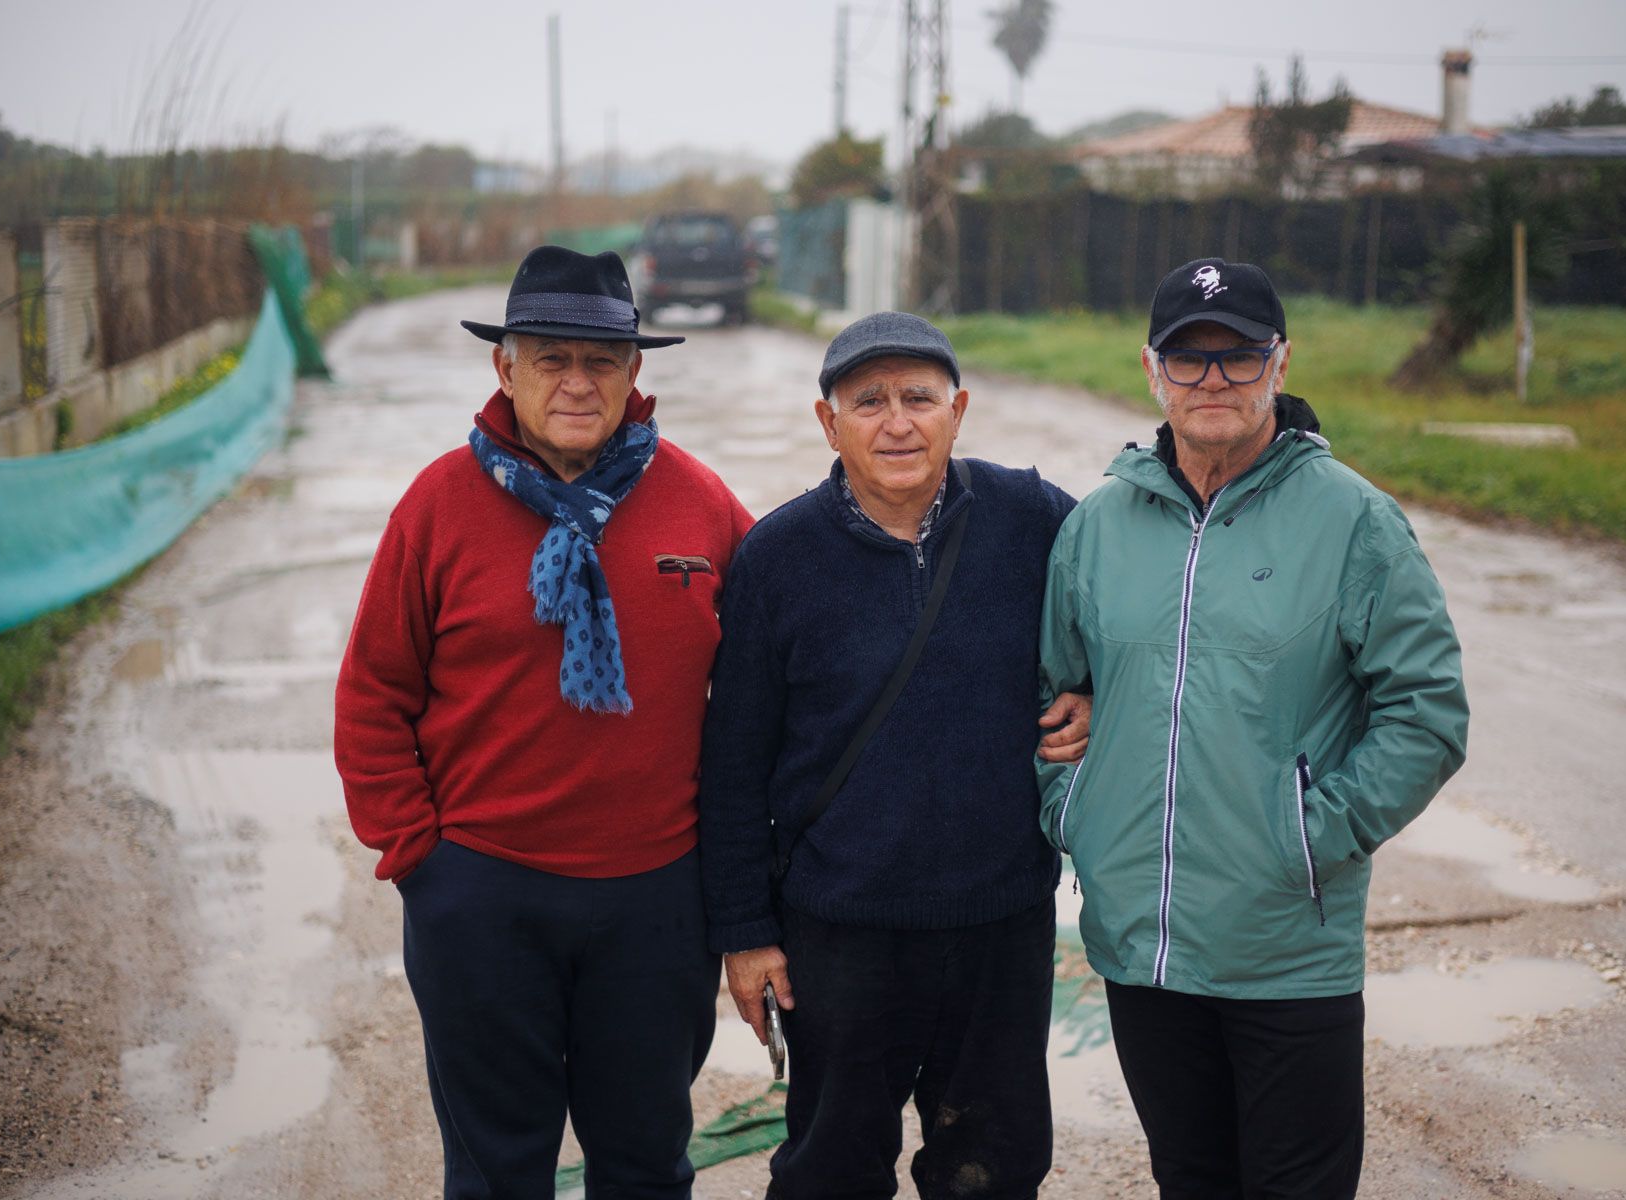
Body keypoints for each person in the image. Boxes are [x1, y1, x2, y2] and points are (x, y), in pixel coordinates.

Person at [1036, 258, 1469, 1200]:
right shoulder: (1101, 525)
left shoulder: (1353, 521)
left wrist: (1317, 835)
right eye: (1189, 362)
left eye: (1237, 358)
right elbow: (1053, 692)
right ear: (1152, 372)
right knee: (1191, 1179)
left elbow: (1427, 711)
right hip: (1141, 947)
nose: (1214, 382)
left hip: (1285, 949)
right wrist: (1076, 811)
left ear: (1280, 364)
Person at [334, 245, 753, 1199]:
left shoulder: (699, 501)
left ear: (634, 372)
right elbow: (372, 695)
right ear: (505, 367)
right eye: (551, 357)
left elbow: (792, 662)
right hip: (482, 899)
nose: (577, 382)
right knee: (496, 1174)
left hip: (655, 905)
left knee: (646, 1167)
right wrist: (422, 860)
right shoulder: (439, 505)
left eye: (601, 361)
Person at [697, 312, 1091, 1200]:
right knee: (830, 1170)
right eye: (868, 401)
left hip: (998, 921)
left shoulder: (1033, 518)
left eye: (919, 397)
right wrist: (746, 935)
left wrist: (1096, 688)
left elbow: (1127, 616)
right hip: (841, 930)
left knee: (992, 1169)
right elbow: (731, 765)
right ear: (828, 423)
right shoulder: (778, 555)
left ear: (959, 410)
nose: (898, 422)